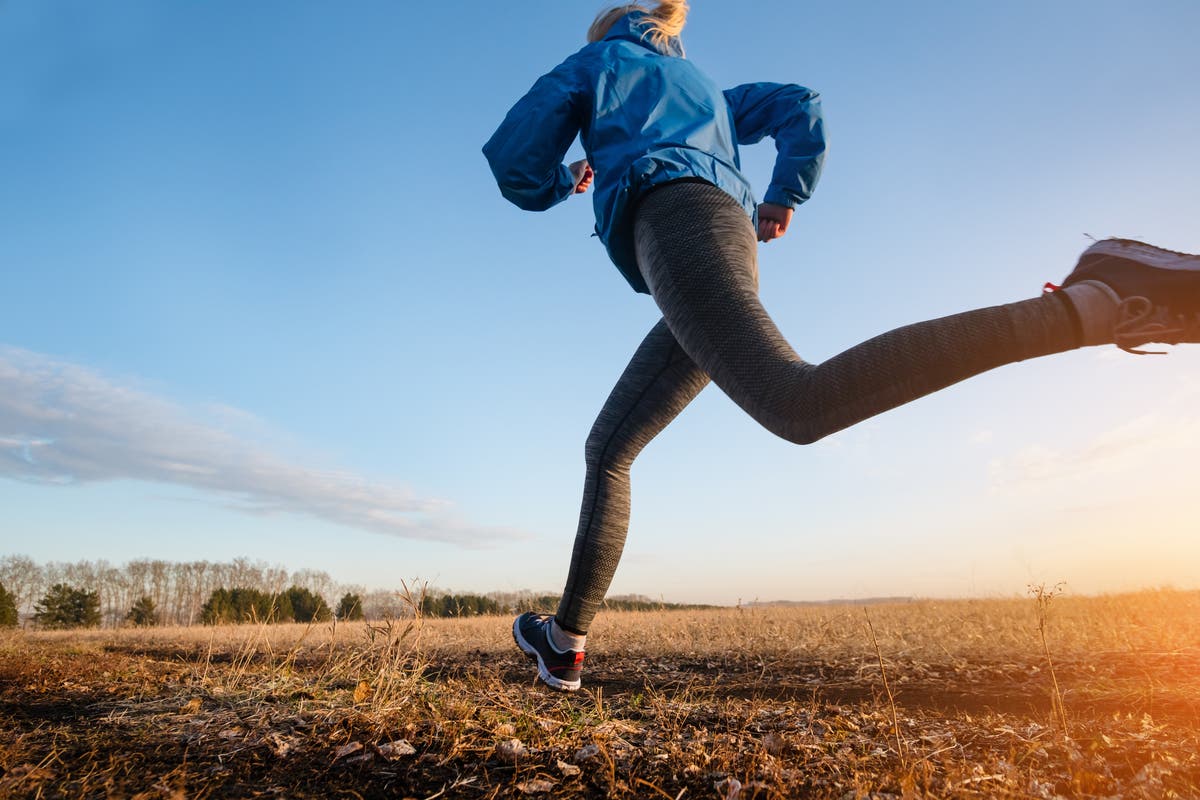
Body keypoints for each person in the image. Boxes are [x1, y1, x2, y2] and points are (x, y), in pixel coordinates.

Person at [483, 1, 1200, 691]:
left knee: (799, 403)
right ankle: (564, 643)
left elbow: (516, 163)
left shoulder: (596, 61)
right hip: (722, 236)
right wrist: (783, 195)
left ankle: (1098, 302)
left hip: (673, 229)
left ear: (610, 31)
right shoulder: (706, 89)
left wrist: (561, 180)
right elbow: (800, 104)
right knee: (611, 447)